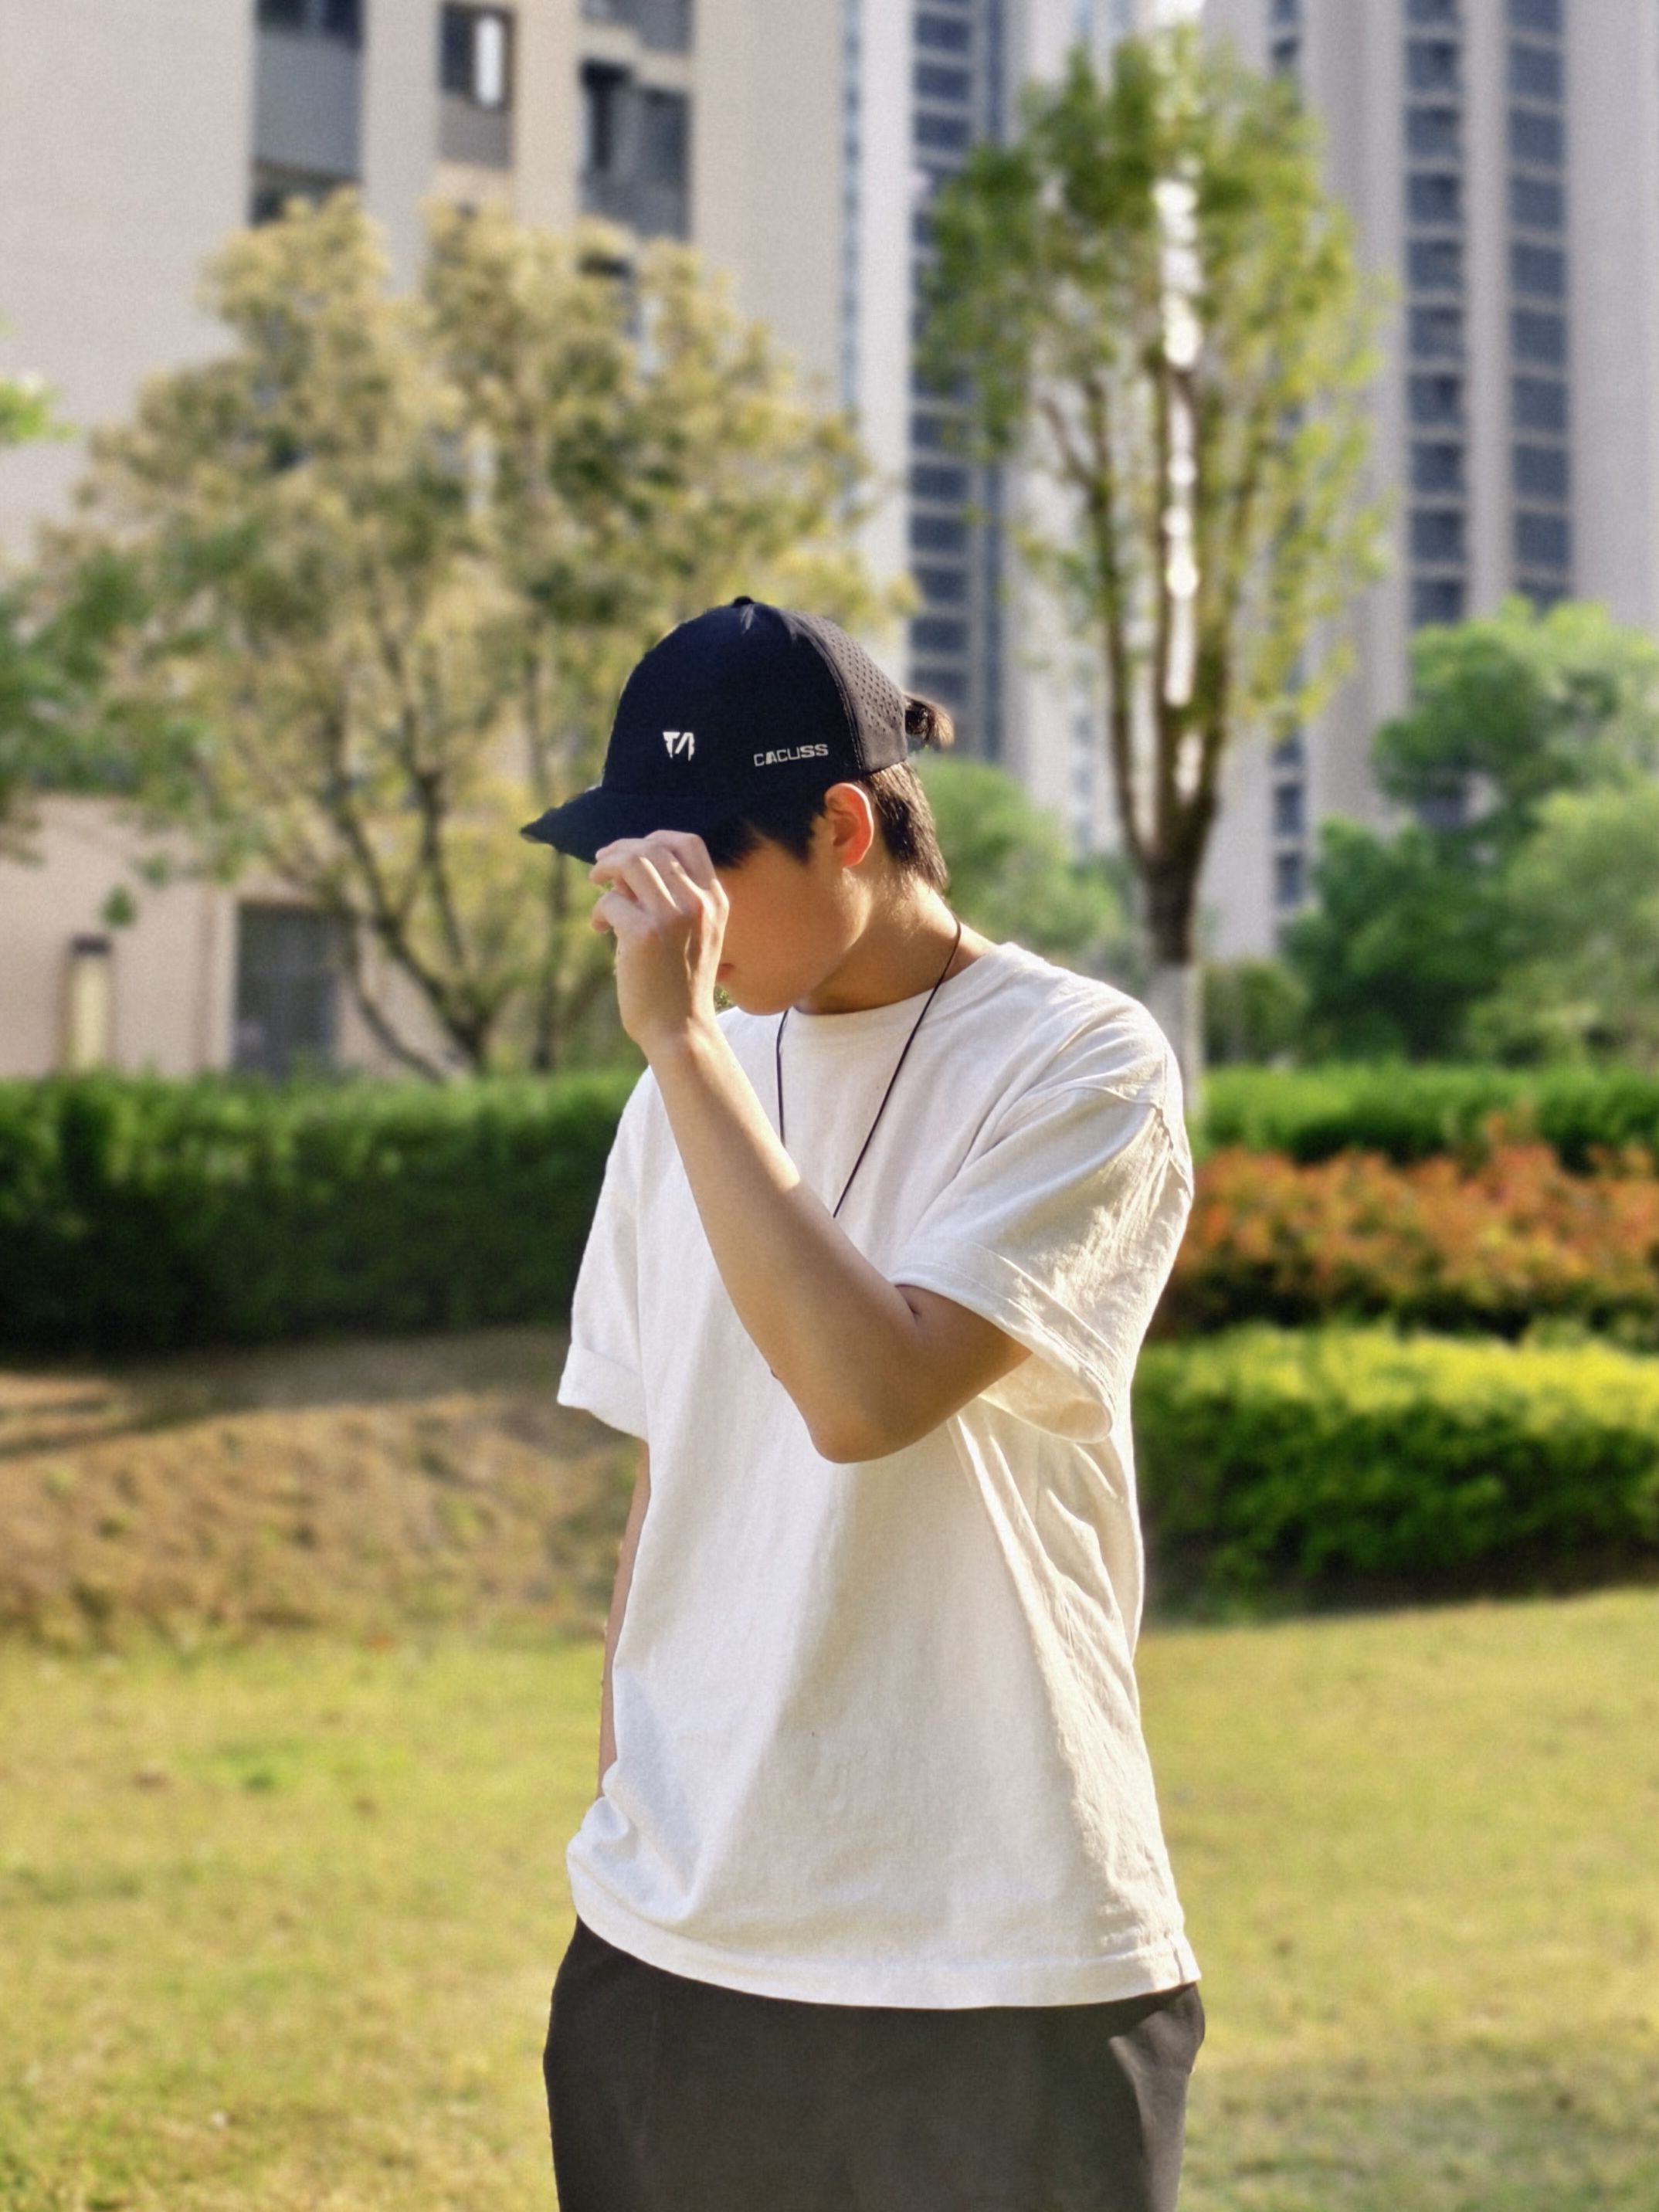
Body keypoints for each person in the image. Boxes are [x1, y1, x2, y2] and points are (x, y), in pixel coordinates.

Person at [521, 596, 1204, 2212]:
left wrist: (683, 1046)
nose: (652, 914)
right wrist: (631, 1808)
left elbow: (866, 1394)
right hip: (677, 1946)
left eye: (694, 867)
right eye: (624, 867)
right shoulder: (670, 1095)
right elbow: (673, 1488)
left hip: (999, 1952)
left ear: (844, 825)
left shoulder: (1080, 1062)